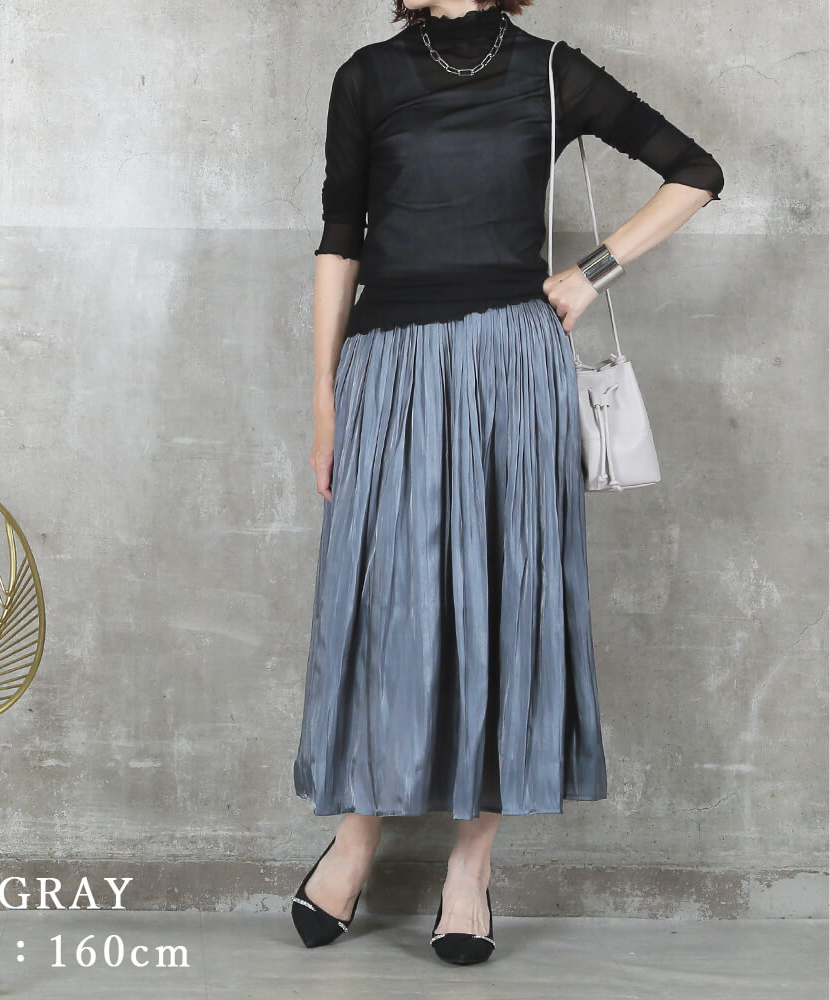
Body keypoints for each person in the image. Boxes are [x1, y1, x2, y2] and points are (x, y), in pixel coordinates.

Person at [290, 0, 724, 965]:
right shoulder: (367, 76)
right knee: (387, 605)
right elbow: (340, 238)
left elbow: (697, 172)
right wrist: (323, 396)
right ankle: (355, 839)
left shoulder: (552, 70)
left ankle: (470, 868)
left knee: (505, 606)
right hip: (388, 366)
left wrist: (590, 271)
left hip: (512, 368)